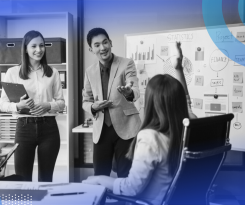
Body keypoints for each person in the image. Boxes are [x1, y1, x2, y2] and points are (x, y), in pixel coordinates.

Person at [82, 42, 196, 204]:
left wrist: (100, 179)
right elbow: (186, 102)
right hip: (176, 200)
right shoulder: (188, 125)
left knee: (91, 185)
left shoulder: (151, 137)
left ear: (151, 102)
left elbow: (131, 188)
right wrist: (178, 68)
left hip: (148, 201)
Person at [0, 30, 65, 182]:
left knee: (46, 180)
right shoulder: (13, 72)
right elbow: (3, 104)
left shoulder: (52, 72)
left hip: (49, 129)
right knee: (22, 180)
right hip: (24, 128)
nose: (39, 50)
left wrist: (47, 105)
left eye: (41, 45)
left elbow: (61, 103)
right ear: (25, 48)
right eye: (34, 46)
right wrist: (18, 105)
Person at [82, 28, 141, 177]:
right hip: (102, 130)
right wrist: (93, 107)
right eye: (97, 45)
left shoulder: (126, 63)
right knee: (100, 175)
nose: (102, 48)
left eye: (105, 42)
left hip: (126, 128)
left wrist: (129, 92)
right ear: (91, 49)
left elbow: (134, 87)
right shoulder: (90, 71)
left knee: (126, 175)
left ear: (110, 43)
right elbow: (85, 101)